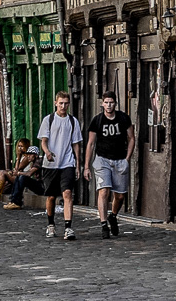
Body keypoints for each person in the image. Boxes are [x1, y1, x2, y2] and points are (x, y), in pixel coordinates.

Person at [84, 91, 135, 239]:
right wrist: (86, 166)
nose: (108, 105)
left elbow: (131, 138)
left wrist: (127, 158)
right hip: (102, 159)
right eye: (106, 102)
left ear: (115, 103)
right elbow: (91, 143)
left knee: (120, 196)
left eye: (111, 102)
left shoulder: (123, 118)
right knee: (104, 191)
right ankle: (103, 225)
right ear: (102, 104)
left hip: (120, 160)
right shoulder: (97, 120)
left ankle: (113, 215)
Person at [37, 91, 82, 241]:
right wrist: (47, 152)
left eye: (66, 103)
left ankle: (68, 227)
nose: (63, 106)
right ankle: (51, 224)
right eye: (61, 103)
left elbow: (76, 144)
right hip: (51, 164)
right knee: (51, 196)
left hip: (67, 162)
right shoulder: (48, 120)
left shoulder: (73, 121)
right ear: (56, 103)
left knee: (67, 193)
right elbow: (43, 141)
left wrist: (78, 164)